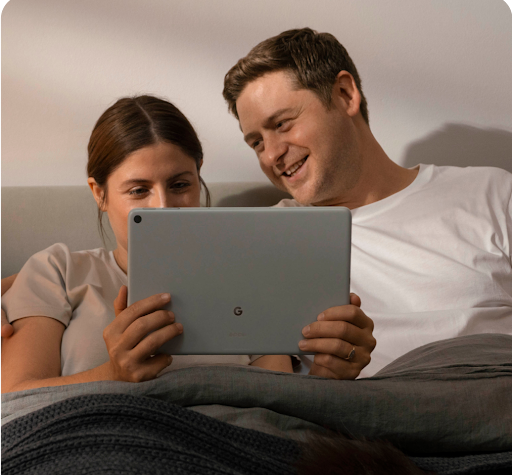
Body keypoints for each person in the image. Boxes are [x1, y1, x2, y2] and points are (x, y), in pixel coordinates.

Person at [0, 95, 375, 394]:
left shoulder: (248, 274)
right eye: (138, 190)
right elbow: (14, 397)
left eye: (180, 185)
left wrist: (327, 378)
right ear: (99, 194)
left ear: (198, 179)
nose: (163, 207)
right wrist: (111, 374)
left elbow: (276, 401)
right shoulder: (58, 270)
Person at [222, 27, 512, 377]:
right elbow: (274, 405)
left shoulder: (491, 193)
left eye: (282, 124)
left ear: (345, 95)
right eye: (256, 143)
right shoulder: (265, 239)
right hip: (358, 422)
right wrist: (328, 379)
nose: (272, 155)